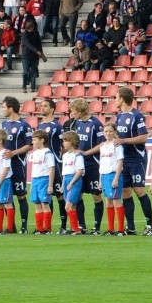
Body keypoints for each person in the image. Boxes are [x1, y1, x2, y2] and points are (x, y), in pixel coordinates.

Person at [113, 86, 152, 235]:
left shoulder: (137, 116)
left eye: (116, 97)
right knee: (125, 191)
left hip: (136, 158)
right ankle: (130, 227)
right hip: (123, 159)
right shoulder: (119, 116)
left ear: (122, 99)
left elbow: (143, 137)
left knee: (139, 190)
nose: (115, 100)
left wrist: (124, 140)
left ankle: (150, 225)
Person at [68, 98, 106, 234]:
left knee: (96, 195)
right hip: (80, 165)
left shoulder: (95, 124)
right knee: (78, 195)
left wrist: (86, 153)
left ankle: (97, 226)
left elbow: (102, 144)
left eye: (73, 111)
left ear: (80, 110)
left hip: (93, 164)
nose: (71, 113)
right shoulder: (77, 123)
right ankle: (81, 225)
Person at [36, 98, 68, 234]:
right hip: (42, 167)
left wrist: (61, 161)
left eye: (45, 106)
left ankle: (63, 225)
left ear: (52, 109)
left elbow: (64, 146)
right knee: (46, 196)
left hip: (55, 164)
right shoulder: (40, 126)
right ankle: (46, 227)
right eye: (41, 105)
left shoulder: (57, 126)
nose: (42, 108)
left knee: (60, 195)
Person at [1, 96, 32, 234]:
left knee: (20, 195)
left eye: (4, 107)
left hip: (18, 164)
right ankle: (11, 226)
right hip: (6, 165)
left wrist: (14, 153)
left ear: (11, 108)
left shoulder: (24, 125)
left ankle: (24, 226)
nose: (2, 110)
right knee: (7, 196)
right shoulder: (4, 124)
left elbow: (29, 145)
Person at [99, 123, 125, 236]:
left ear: (114, 132)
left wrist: (116, 178)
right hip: (104, 176)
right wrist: (100, 180)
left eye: (110, 131)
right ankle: (110, 228)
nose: (108, 133)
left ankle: (120, 229)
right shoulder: (102, 146)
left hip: (113, 174)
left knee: (116, 201)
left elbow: (120, 162)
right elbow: (102, 164)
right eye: (106, 131)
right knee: (108, 202)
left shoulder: (117, 146)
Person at [60, 131, 86, 235]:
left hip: (74, 180)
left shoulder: (78, 156)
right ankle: (74, 227)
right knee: (72, 206)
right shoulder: (65, 155)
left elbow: (80, 170)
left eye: (65, 141)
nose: (63, 143)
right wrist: (63, 184)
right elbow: (64, 172)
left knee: (68, 206)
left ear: (72, 141)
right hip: (66, 179)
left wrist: (72, 182)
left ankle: (76, 229)